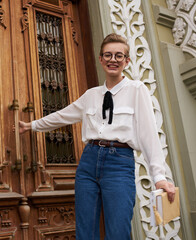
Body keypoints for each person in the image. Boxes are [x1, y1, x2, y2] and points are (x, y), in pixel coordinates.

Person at [19, 33, 175, 240]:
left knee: (118, 230)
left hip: (119, 163)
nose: (113, 60)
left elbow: (148, 134)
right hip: (88, 162)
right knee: (85, 230)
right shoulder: (91, 95)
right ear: (101, 59)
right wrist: (31, 125)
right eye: (108, 55)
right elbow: (63, 116)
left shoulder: (137, 90)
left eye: (119, 56)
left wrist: (159, 177)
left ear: (127, 61)